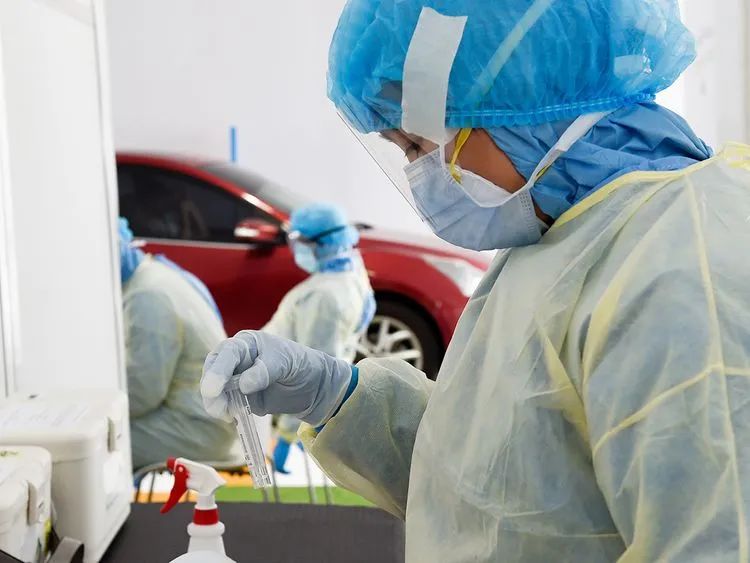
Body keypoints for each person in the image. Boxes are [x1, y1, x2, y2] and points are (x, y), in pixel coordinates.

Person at [201, 1, 750, 560]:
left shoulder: (680, 264)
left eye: (417, 146)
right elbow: (500, 484)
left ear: (520, 104)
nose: (420, 175)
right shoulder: (562, 236)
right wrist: (336, 397)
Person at [265, 203, 375, 473]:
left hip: (279, 393)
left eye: (300, 242)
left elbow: (311, 375)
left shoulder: (322, 297)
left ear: (322, 244)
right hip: (297, 397)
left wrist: (286, 434)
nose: (295, 250)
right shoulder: (352, 273)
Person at [119, 218, 235, 468]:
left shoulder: (147, 296)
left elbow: (143, 394)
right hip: (210, 418)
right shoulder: (155, 275)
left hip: (197, 428)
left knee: (97, 447)